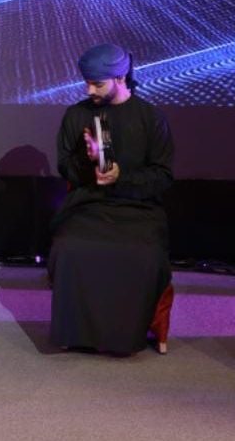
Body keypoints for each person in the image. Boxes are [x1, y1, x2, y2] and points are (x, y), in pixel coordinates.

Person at [48, 43, 174, 355]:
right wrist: (88, 160)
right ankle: (77, 333)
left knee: (144, 253)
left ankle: (124, 336)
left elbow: (162, 176)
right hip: (88, 205)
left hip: (138, 208)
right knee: (69, 246)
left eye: (97, 84)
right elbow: (65, 167)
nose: (89, 90)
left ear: (120, 78)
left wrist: (121, 177)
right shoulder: (76, 115)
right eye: (87, 83)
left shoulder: (150, 118)